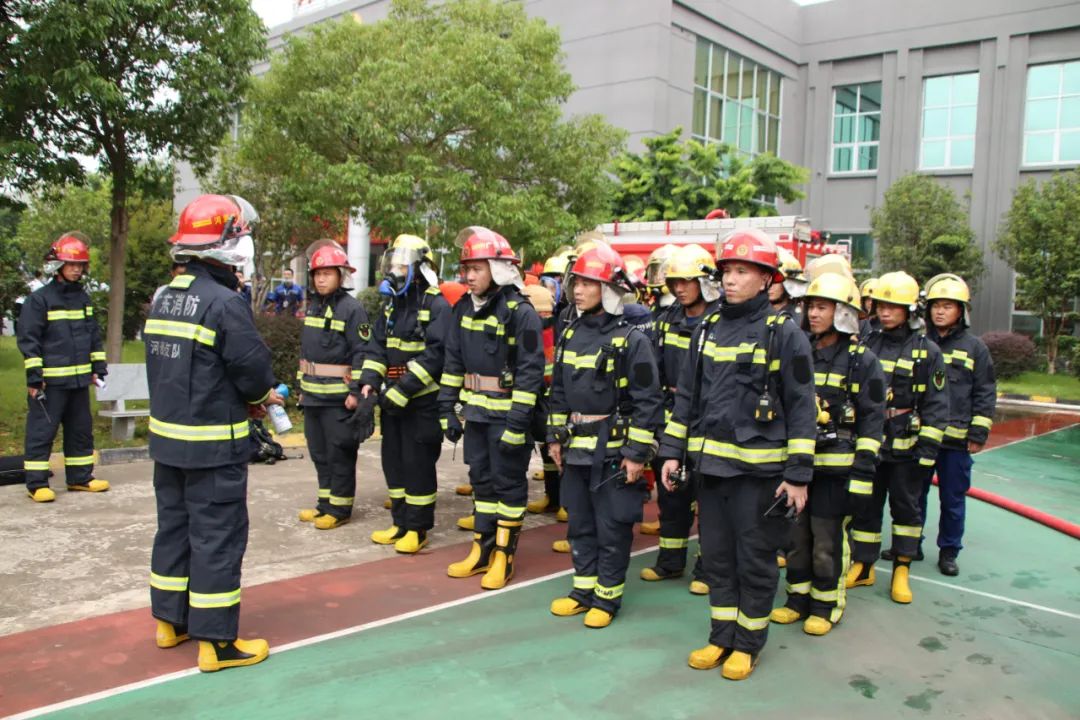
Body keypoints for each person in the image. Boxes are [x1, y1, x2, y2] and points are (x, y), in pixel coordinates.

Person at [658, 228, 816, 681]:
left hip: (759, 477)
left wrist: (799, 476)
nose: (730, 279)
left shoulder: (784, 335)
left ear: (767, 279)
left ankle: (748, 644)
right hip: (712, 473)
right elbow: (686, 398)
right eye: (726, 270)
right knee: (718, 558)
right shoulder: (706, 328)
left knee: (755, 561)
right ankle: (720, 636)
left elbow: (802, 407)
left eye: (742, 271)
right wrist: (671, 451)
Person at [145, 193, 283, 673]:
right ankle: (217, 644)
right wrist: (264, 396)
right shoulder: (224, 302)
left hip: (168, 442)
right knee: (216, 538)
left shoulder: (165, 297)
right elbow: (252, 370)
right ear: (226, 244)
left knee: (174, 530)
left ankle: (170, 622)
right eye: (242, 234)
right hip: (212, 447)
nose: (246, 243)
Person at [547, 241, 662, 627]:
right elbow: (558, 393)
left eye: (588, 282)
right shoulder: (570, 333)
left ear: (609, 289)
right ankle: (582, 590)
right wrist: (553, 438)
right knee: (579, 523)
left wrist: (635, 454)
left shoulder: (633, 341)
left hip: (613, 453)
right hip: (576, 450)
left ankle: (607, 598)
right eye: (575, 281)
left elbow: (648, 402)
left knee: (612, 526)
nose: (577, 289)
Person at [769, 272, 885, 636]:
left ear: (844, 312)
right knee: (796, 539)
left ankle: (825, 604)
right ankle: (796, 600)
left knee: (826, 541)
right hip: (798, 469)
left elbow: (872, 421)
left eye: (821, 307)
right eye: (810, 306)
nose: (813, 314)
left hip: (837, 471)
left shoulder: (862, 362)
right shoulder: (799, 352)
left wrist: (863, 474)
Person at [439, 227, 544, 589]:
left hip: (507, 417)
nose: (468, 276)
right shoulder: (463, 308)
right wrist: (446, 408)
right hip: (477, 416)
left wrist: (517, 425)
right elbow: (452, 361)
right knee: (481, 482)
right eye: (466, 267)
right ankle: (481, 550)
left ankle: (504, 556)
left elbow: (531, 374)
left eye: (477, 268)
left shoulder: (521, 312)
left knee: (508, 485)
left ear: (498, 269)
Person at [846, 271, 949, 605]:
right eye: (881, 305)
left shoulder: (927, 351)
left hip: (907, 447)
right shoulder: (866, 342)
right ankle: (863, 566)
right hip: (872, 442)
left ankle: (902, 568)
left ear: (910, 310)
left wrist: (928, 448)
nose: (885, 312)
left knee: (906, 508)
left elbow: (937, 401)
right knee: (866, 507)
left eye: (894, 306)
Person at [362, 234, 450, 552]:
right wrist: (370, 381)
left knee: (417, 465)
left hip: (421, 401)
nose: (395, 269)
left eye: (402, 263)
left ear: (421, 268)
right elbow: (376, 348)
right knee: (394, 463)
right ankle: (399, 523)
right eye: (393, 262)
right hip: (392, 399)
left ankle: (418, 528)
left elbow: (436, 355)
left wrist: (404, 389)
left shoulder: (437, 305)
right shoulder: (393, 307)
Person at [641, 243, 720, 595]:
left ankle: (707, 568)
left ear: (705, 282)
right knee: (671, 492)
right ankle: (670, 562)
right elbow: (653, 372)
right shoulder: (665, 321)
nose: (679, 288)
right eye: (675, 282)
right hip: (674, 418)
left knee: (710, 499)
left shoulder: (721, 321)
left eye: (687, 281)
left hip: (709, 419)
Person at [17, 233, 109, 502]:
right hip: (50, 383)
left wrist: (98, 367)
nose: (76, 269)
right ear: (57, 265)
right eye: (71, 264)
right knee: (42, 431)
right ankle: (36, 483)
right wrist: (35, 379)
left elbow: (93, 336)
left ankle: (80, 478)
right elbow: (29, 340)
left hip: (79, 381)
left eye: (80, 265)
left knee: (80, 431)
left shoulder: (83, 299)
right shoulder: (40, 300)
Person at [918, 274, 995, 576]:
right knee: (914, 496)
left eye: (947, 306)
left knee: (952, 500)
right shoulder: (919, 342)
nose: (940, 311)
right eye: (936, 306)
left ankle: (949, 551)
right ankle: (911, 544)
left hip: (956, 443)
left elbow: (985, 391)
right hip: (921, 438)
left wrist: (978, 432)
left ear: (961, 311)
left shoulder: (976, 349)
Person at [295, 239, 373, 530]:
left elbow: (362, 353)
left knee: (339, 454)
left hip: (339, 400)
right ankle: (324, 505)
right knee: (319, 454)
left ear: (341, 275)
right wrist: (303, 388)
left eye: (328, 273)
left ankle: (340, 509)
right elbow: (308, 353)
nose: (321, 278)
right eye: (317, 273)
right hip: (314, 397)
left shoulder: (352, 309)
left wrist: (356, 393)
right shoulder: (314, 307)